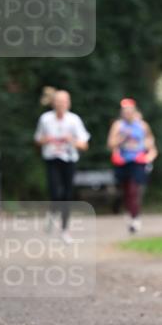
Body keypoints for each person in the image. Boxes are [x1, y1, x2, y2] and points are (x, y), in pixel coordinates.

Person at [34, 89, 90, 243]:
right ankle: (52, 213)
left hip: (69, 159)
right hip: (52, 159)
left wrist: (71, 140)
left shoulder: (74, 120)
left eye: (64, 101)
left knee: (67, 195)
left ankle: (65, 230)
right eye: (58, 101)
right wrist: (45, 140)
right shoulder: (45, 119)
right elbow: (38, 139)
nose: (60, 105)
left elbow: (84, 145)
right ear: (53, 103)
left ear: (68, 103)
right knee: (55, 192)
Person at [107, 98, 158, 233]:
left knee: (134, 190)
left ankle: (135, 218)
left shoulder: (142, 126)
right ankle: (130, 213)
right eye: (125, 112)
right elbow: (110, 144)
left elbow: (151, 145)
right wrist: (122, 138)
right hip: (122, 161)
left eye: (130, 111)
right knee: (125, 191)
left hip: (138, 161)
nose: (128, 114)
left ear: (134, 112)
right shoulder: (118, 126)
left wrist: (149, 156)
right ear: (122, 113)